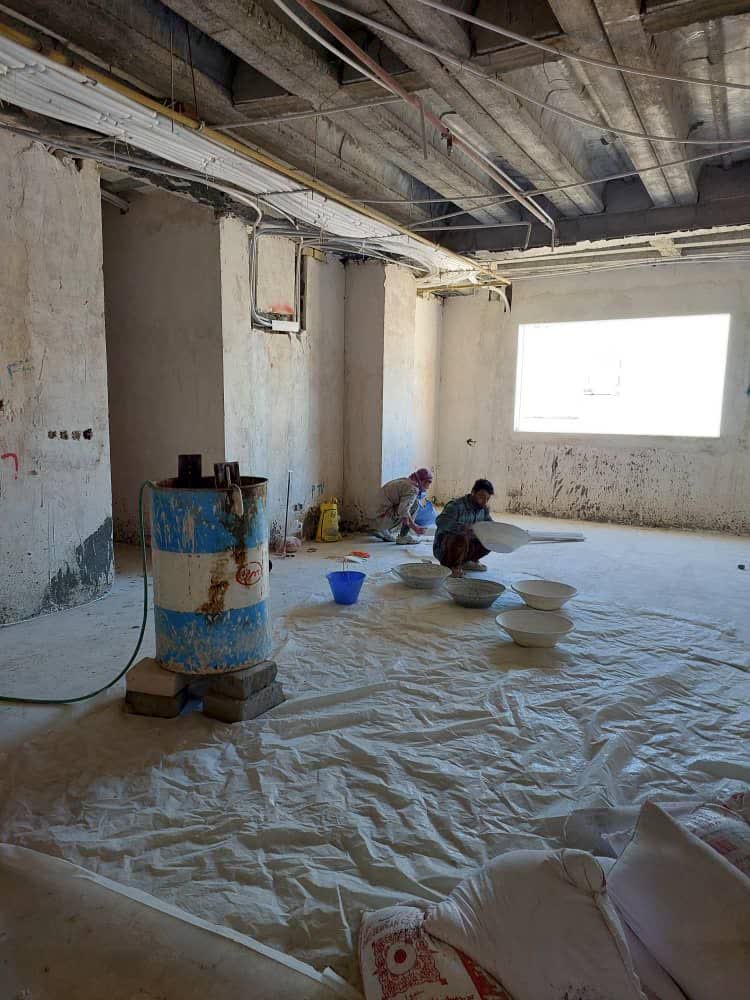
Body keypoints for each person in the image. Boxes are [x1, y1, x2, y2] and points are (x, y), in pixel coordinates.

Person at [434, 479, 494, 576]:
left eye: (487, 499)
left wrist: (499, 533)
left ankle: (466, 562)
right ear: (473, 492)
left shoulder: (483, 509)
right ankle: (451, 566)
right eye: (481, 497)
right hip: (445, 548)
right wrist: (463, 528)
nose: (484, 502)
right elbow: (440, 521)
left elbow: (490, 526)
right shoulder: (456, 506)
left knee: (490, 538)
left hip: (465, 548)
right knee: (461, 537)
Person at [371, 468, 433, 544]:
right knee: (415, 504)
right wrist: (415, 528)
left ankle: (382, 529)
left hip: (374, 517)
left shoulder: (405, 481)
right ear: (423, 481)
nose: (428, 487)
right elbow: (403, 511)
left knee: (406, 506)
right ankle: (403, 536)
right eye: (429, 483)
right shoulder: (412, 489)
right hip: (380, 519)